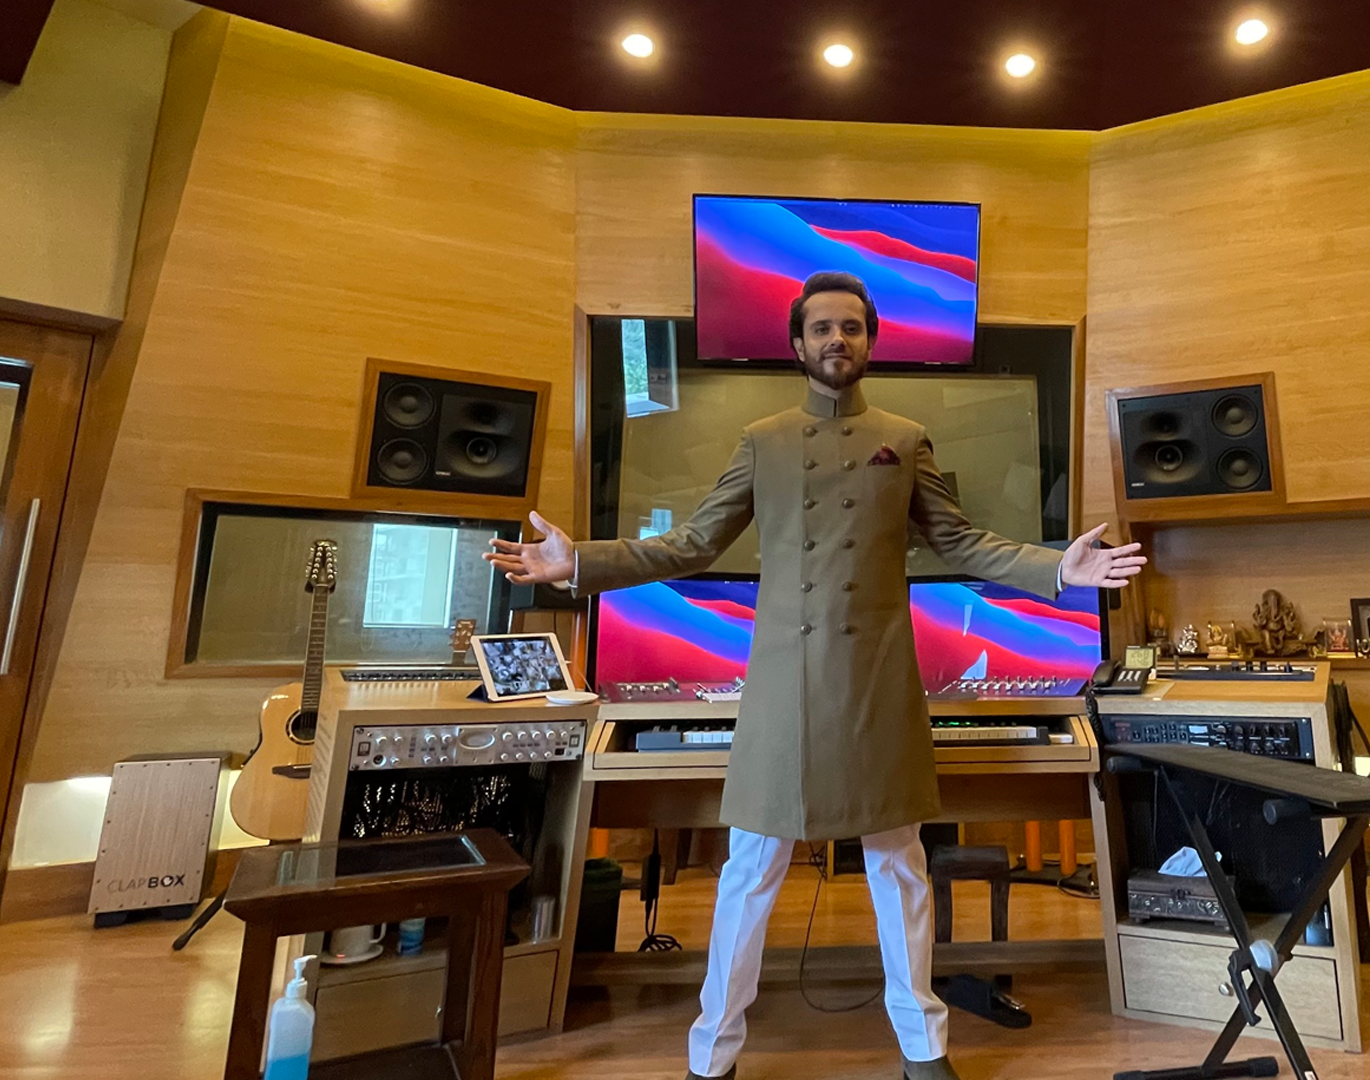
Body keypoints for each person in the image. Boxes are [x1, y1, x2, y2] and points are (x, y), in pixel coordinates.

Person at [486, 271, 1145, 1080]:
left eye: (851, 327)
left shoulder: (905, 439)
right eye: (822, 327)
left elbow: (962, 541)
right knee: (749, 872)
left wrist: (1059, 570)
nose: (837, 339)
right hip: (781, 688)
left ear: (872, 340)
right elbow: (691, 544)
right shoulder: (762, 440)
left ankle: (924, 1049)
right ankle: (712, 1053)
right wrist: (578, 563)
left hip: (878, 685)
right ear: (797, 343)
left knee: (899, 866)